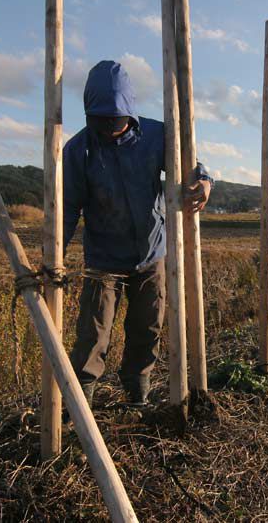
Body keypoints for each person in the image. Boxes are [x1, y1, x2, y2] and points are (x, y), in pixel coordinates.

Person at [63, 60, 213, 408]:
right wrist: (52, 255)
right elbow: (68, 208)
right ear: (90, 115)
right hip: (103, 260)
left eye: (116, 121)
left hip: (150, 254)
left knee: (147, 328)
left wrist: (204, 182)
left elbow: (194, 169)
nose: (110, 128)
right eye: (102, 121)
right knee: (93, 334)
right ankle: (81, 407)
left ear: (129, 113)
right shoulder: (78, 150)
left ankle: (137, 396)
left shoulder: (158, 136)